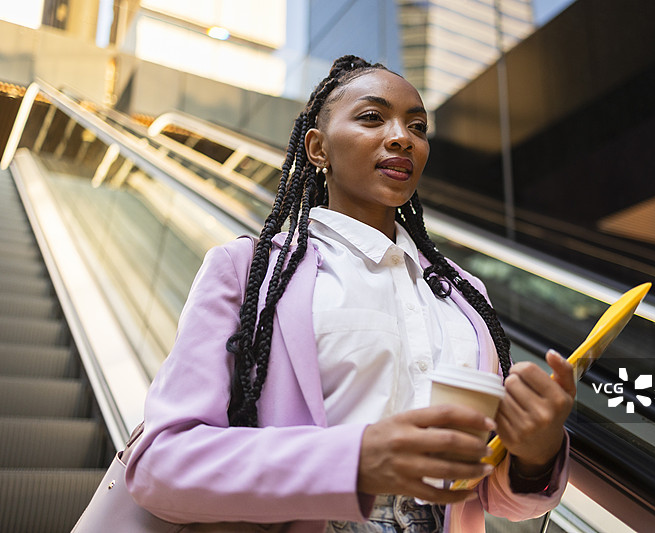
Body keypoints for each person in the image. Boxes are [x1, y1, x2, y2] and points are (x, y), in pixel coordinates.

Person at [127, 55, 576, 532]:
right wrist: (356, 460)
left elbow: (488, 496)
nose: (403, 136)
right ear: (318, 149)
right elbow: (161, 464)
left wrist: (534, 455)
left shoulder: (465, 298)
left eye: (418, 127)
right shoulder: (245, 273)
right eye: (371, 117)